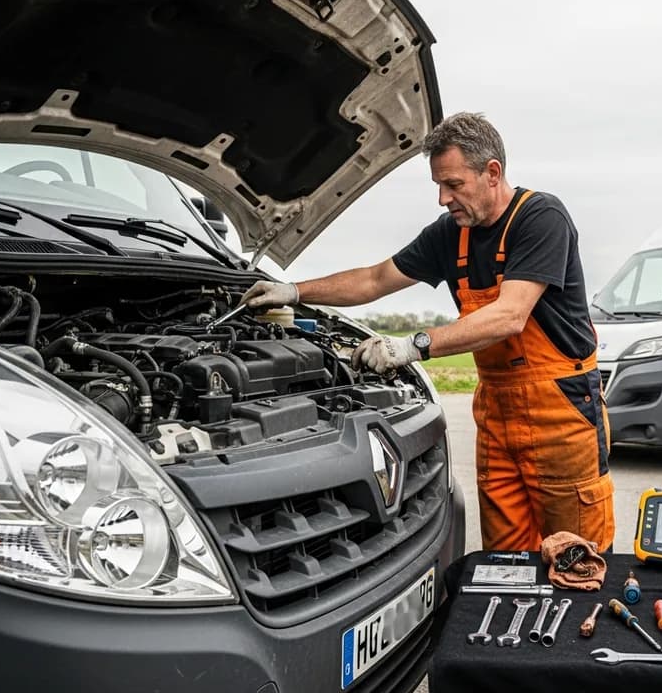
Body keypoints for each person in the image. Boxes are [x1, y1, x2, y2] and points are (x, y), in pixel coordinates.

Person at [241, 112, 614, 553]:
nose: (443, 199)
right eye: (438, 185)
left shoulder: (540, 218)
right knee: (505, 561)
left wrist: (410, 346)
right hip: (497, 411)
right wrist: (293, 290)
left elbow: (508, 316)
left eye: (453, 184)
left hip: (561, 412)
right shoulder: (449, 235)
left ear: (492, 172)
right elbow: (375, 279)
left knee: (577, 558)